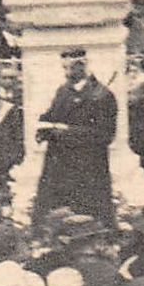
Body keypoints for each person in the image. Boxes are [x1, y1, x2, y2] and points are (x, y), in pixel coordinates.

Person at [33, 48, 117, 225]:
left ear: (82, 66)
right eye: (64, 68)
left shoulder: (102, 95)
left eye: (70, 68)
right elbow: (52, 115)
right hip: (61, 164)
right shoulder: (63, 91)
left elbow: (105, 134)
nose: (66, 73)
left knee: (88, 216)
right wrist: (43, 128)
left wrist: (67, 132)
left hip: (88, 166)